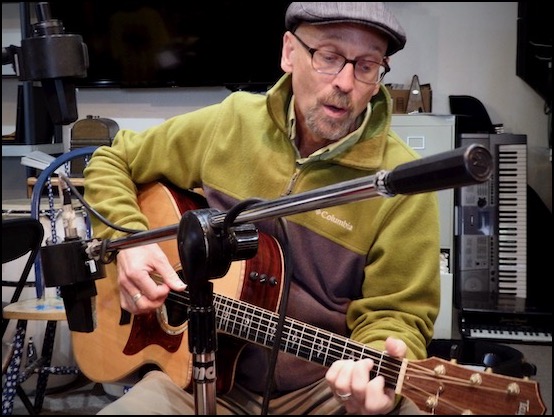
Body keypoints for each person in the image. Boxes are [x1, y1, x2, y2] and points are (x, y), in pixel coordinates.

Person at [84, 2, 440, 415]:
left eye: (366, 66)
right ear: (289, 52)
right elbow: (113, 159)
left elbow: (397, 315)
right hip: (193, 374)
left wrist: (376, 365)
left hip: (319, 390)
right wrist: (129, 239)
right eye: (328, 57)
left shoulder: (401, 182)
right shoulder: (232, 122)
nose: (345, 82)